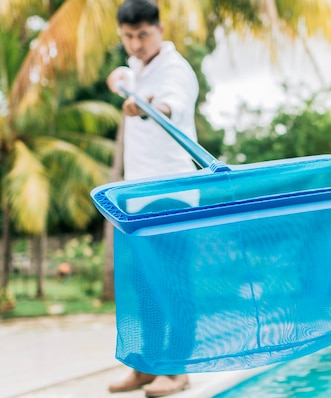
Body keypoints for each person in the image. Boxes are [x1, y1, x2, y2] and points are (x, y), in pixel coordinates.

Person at [105, 0, 199, 396]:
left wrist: (147, 106)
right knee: (143, 284)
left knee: (174, 282)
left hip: (172, 193)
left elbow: (172, 103)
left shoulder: (175, 70)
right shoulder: (137, 69)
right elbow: (122, 74)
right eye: (128, 36)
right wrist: (122, 80)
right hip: (137, 196)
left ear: (160, 29)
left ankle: (177, 370)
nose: (136, 43)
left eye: (143, 34)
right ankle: (145, 366)